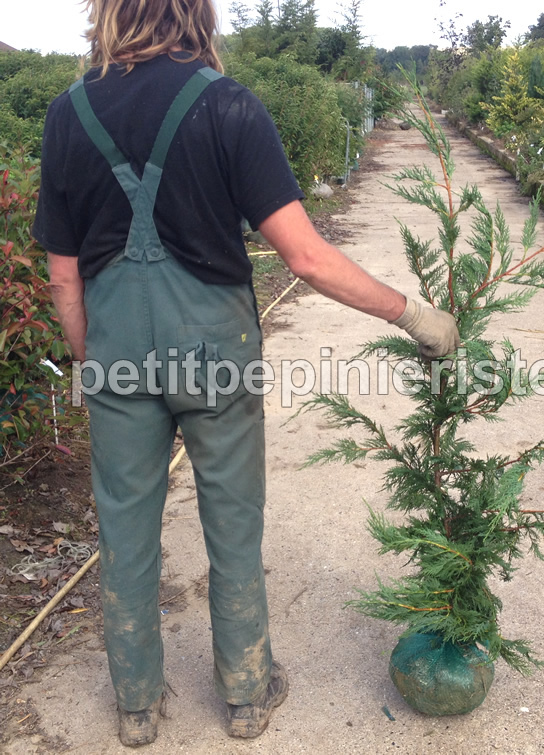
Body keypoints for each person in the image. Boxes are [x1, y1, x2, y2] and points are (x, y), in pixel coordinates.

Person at [33, 0, 460, 746]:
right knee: (233, 520)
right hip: (214, 353)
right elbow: (307, 258)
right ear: (195, 15)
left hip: (116, 355)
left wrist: (89, 358)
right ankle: (246, 694)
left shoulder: (68, 114)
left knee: (125, 525)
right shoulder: (227, 104)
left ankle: (135, 704)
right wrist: (412, 314)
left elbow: (64, 275)